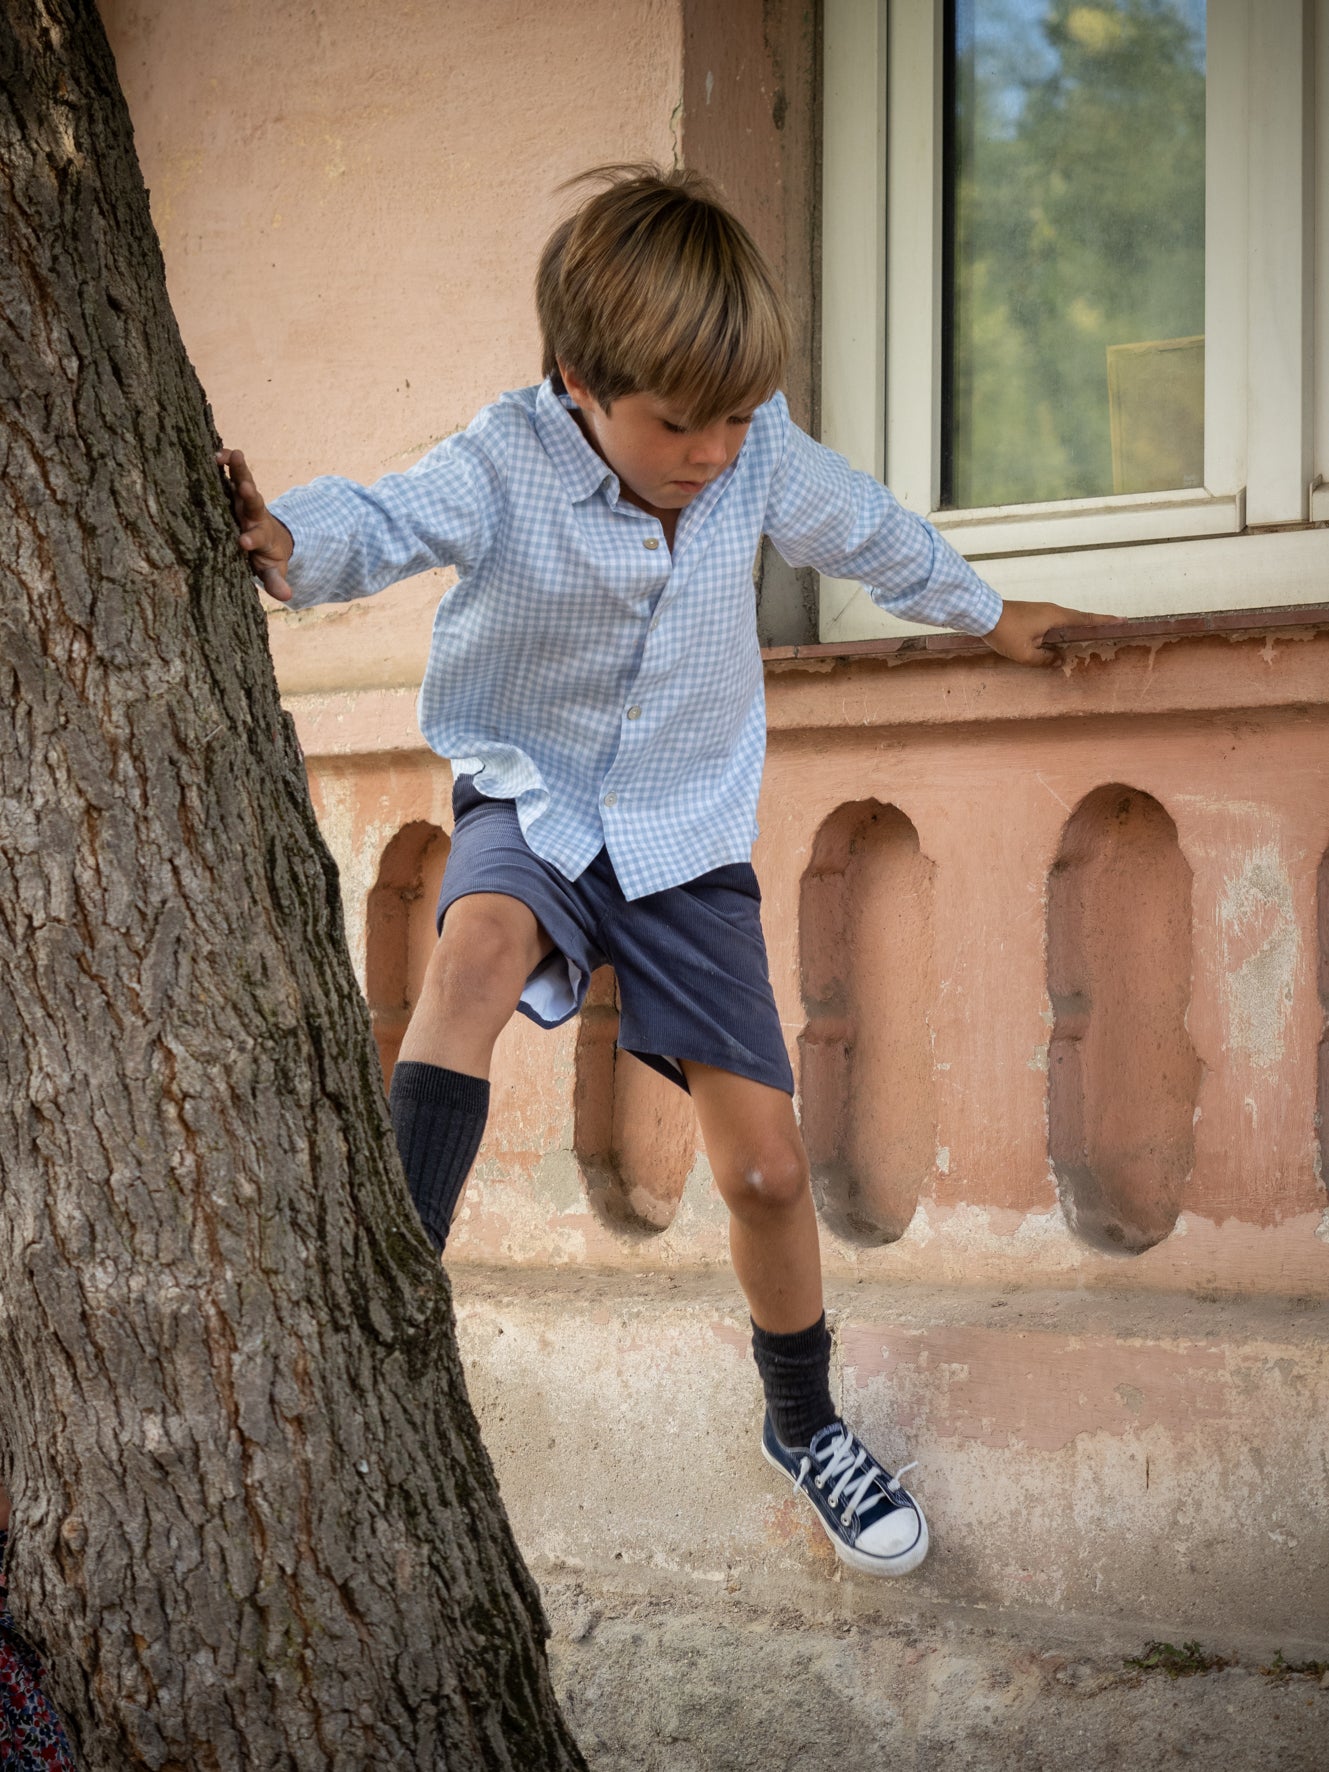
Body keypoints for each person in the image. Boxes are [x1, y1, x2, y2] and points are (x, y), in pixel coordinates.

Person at [218, 165, 1093, 1579]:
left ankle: (804, 1423)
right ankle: (386, 1309)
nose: (710, 452)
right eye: (677, 423)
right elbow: (385, 519)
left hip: (684, 841)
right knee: (475, 950)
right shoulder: (506, 457)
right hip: (539, 798)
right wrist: (286, 542)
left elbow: (869, 531)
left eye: (734, 419)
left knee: (765, 1172)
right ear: (579, 383)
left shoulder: (755, 454)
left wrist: (991, 616)